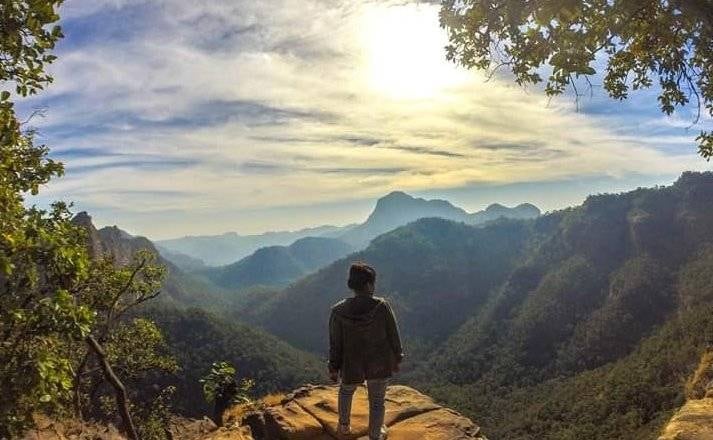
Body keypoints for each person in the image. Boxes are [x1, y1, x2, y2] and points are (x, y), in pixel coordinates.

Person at [328, 262, 404, 440]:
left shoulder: (338, 311)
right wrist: (397, 357)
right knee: (377, 401)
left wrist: (333, 366)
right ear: (369, 285)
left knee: (346, 391)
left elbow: (336, 343)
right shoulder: (382, 306)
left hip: (351, 363)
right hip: (379, 362)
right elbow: (393, 334)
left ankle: (344, 426)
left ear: (352, 285)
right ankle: (375, 434)